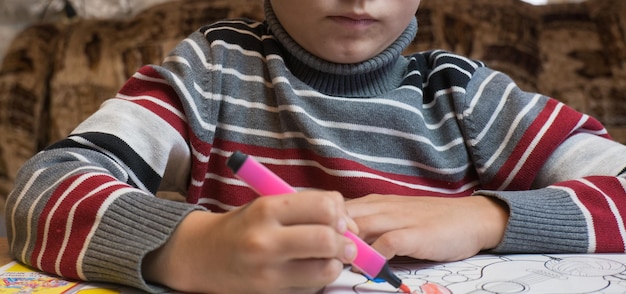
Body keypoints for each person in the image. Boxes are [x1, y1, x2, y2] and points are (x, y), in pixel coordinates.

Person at [6, 0, 626, 293]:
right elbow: (43, 190)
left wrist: (488, 217)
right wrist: (193, 249)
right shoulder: (212, 72)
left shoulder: (464, 95)